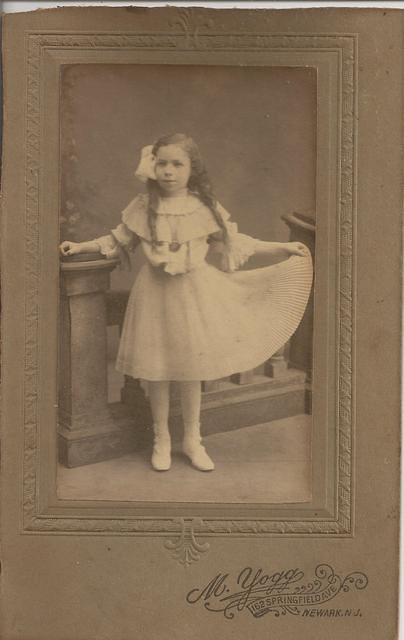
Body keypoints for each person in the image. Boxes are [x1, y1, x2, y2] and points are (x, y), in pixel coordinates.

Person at [59, 133, 313, 474]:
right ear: (153, 166)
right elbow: (117, 239)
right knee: (158, 371)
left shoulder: (203, 207)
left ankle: (193, 439)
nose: (169, 171)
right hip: (155, 296)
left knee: (191, 369)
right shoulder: (144, 206)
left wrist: (282, 248)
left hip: (193, 295)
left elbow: (235, 241)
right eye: (162, 163)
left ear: (192, 169)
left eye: (177, 164)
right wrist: (80, 247)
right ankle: (161, 439)